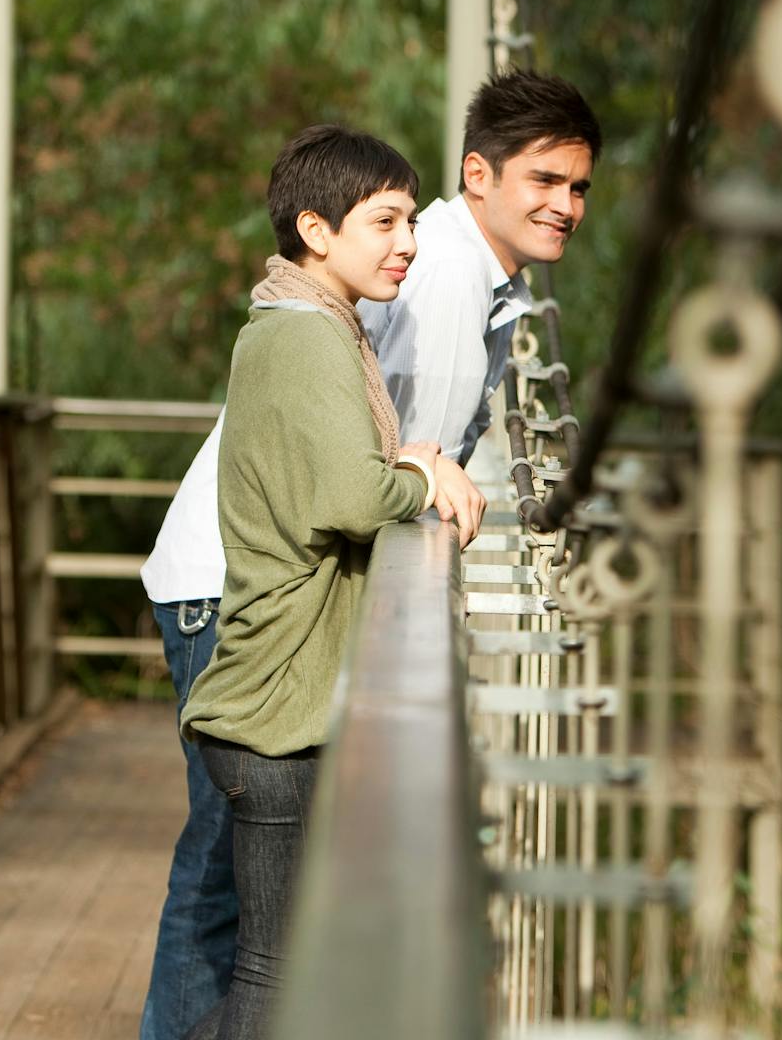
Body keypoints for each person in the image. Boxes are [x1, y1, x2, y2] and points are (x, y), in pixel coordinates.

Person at [138, 73, 602, 1040]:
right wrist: (421, 468)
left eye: (580, 187)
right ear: (477, 176)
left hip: (267, 579)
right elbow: (357, 471)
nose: (565, 205)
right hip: (244, 588)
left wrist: (415, 463)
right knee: (227, 883)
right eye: (544, 180)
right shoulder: (429, 272)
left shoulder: (463, 277)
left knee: (245, 887)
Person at [178, 124, 483, 1040]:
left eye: (409, 220)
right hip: (277, 717)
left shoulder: (293, 324)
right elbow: (353, 495)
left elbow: (338, 473)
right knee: (276, 983)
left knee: (275, 977)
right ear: (316, 229)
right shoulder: (307, 335)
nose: (409, 242)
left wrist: (403, 458)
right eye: (384, 221)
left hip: (275, 709)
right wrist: (423, 474)